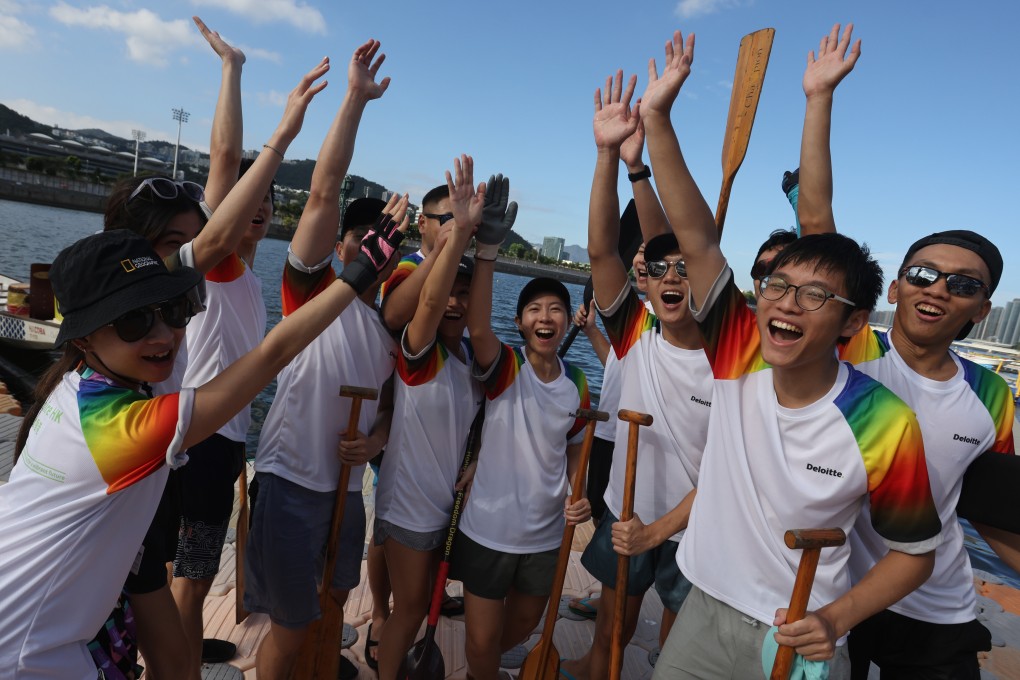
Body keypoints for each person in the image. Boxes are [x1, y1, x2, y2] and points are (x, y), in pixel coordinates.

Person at [0, 162, 408, 679]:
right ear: (83, 336)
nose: (163, 335)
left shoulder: (78, 385)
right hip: (28, 652)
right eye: (133, 321)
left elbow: (146, 576)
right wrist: (356, 276)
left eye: (174, 312)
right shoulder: (124, 428)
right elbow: (273, 353)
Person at [640, 29, 941, 678]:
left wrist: (836, 620)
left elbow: (913, 554)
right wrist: (656, 119)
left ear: (853, 323)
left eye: (813, 295)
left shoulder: (884, 421)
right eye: (776, 286)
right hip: (703, 609)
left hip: (797, 636)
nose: (785, 304)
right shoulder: (739, 348)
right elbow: (693, 234)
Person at [97, 35, 328, 678]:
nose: (256, 210)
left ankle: (176, 657)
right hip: (190, 439)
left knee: (168, 572)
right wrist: (233, 70)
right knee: (190, 579)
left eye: (265, 206)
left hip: (210, 439)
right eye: (247, 204)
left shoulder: (248, 281)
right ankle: (181, 666)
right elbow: (224, 157)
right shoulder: (216, 268)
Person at [795, 23, 1017, 678]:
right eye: (922, 273)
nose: (937, 289)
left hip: (935, 611)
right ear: (894, 287)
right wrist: (819, 100)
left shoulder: (992, 396)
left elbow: (996, 516)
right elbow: (817, 228)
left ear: (982, 309)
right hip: (827, 592)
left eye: (964, 284)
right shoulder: (854, 352)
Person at [242, 37, 395, 680]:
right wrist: (355, 101)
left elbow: (388, 412)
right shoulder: (310, 291)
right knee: (291, 619)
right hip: (288, 481)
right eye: (362, 240)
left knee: (333, 600)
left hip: (345, 492)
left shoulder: (391, 329)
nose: (372, 249)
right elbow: (323, 191)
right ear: (343, 246)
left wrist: (375, 442)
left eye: (382, 241)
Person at [562, 70, 713, 680]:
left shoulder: (732, 353)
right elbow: (603, 252)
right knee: (611, 634)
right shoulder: (634, 331)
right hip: (626, 512)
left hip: (693, 528)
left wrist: (649, 156)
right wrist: (607, 158)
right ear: (645, 280)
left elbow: (689, 239)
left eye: (687, 268)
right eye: (660, 269)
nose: (673, 277)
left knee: (676, 653)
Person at [452, 173, 591, 680]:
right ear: (522, 323)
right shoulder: (506, 367)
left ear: (566, 319)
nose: (546, 315)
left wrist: (579, 488)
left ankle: (480, 669)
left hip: (545, 534)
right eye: (535, 308)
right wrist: (487, 249)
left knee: (526, 623)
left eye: (556, 308)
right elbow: (478, 328)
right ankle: (479, 672)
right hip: (488, 529)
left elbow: (577, 445)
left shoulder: (577, 382)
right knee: (483, 637)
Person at [371, 155, 485, 680]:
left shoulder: (467, 361)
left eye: (466, 293)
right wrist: (459, 233)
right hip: (409, 506)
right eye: (452, 293)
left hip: (445, 505)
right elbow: (430, 300)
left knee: (417, 607)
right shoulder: (421, 350)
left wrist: (484, 250)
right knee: (409, 611)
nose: (456, 302)